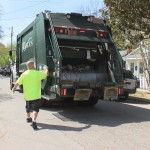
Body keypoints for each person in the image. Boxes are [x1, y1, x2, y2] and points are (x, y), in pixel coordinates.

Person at [12, 61, 48, 130]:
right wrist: (46, 69)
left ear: (27, 66)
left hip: (27, 96)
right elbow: (45, 75)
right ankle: (34, 122)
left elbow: (18, 82)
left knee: (28, 107)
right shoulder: (37, 73)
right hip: (35, 95)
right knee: (35, 109)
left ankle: (28, 118)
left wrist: (14, 88)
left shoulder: (24, 74)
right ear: (33, 66)